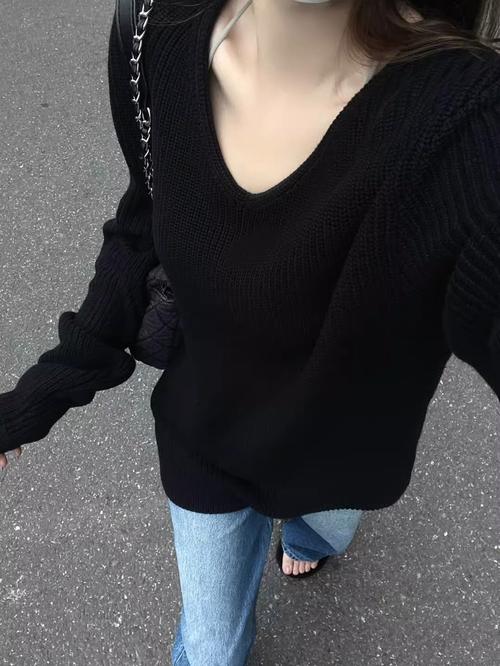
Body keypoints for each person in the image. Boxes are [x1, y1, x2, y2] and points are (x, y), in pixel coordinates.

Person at [1, 0, 499, 664]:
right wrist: (38, 396)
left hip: (339, 450)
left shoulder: (465, 123)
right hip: (205, 436)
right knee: (211, 650)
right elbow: (143, 229)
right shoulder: (157, 32)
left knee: (323, 532)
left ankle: (310, 538)